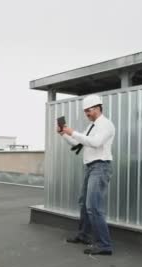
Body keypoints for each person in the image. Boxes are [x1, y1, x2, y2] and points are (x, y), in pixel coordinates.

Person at [58, 94, 115, 255]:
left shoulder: (106, 125)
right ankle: (84, 235)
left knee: (94, 207)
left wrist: (73, 132)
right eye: (85, 111)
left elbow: (96, 143)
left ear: (97, 108)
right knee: (84, 204)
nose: (86, 114)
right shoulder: (92, 126)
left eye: (88, 111)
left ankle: (104, 245)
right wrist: (64, 133)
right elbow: (77, 143)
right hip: (91, 167)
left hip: (100, 167)